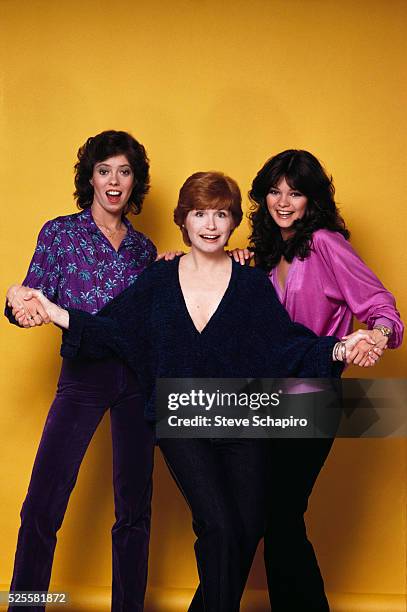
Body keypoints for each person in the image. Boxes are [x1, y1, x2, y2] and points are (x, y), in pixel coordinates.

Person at [17, 171, 380, 612]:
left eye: (221, 215)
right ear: (184, 221)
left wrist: (343, 346)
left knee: (248, 527)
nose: (210, 225)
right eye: (200, 214)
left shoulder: (250, 284)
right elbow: (112, 329)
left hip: (241, 417)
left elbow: (287, 345)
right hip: (182, 416)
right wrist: (53, 309)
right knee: (219, 526)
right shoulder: (158, 279)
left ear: (232, 223)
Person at [232, 149, 404, 611]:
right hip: (262, 398)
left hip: (312, 395)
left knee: (281, 515)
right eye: (275, 191)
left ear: (312, 199)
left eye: (295, 192)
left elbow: (381, 305)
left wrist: (376, 334)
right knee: (268, 517)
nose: (283, 202)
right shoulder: (264, 252)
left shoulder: (326, 244)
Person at [5, 130, 157, 612]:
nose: (115, 181)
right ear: (89, 177)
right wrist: (16, 303)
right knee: (43, 504)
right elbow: (32, 296)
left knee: (134, 508)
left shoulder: (143, 250)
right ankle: (28, 605)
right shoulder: (59, 233)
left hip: (136, 380)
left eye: (125, 171)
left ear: (136, 182)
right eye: (105, 170)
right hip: (83, 377)